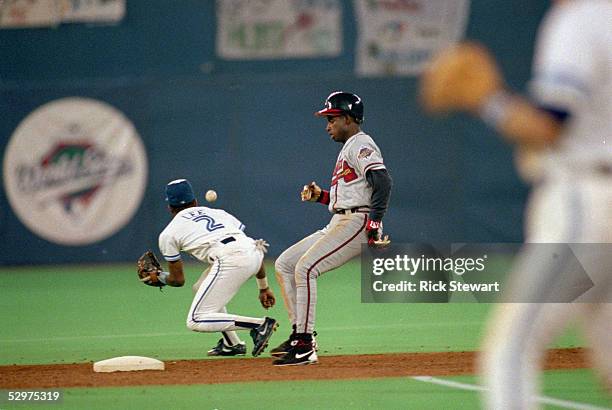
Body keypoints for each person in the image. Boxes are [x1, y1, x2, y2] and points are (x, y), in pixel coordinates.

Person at [420, 0, 612, 408]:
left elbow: (546, 127)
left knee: (512, 347)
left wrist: (488, 98)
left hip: (588, 200)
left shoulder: (581, 20)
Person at [271, 91, 393, 366]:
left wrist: (374, 222)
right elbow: (353, 195)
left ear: (348, 119)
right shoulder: (348, 147)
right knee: (285, 264)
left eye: (332, 119)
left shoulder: (362, 144)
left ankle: (304, 346)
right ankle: (298, 333)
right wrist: (322, 197)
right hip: (341, 219)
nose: (327, 125)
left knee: (306, 268)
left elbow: (383, 182)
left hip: (357, 221)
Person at [145, 178, 278, 357]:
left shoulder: (168, 234)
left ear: (169, 207)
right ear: (195, 201)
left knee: (195, 320)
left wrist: (159, 276)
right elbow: (249, 245)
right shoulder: (219, 212)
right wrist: (264, 287)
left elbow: (178, 280)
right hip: (254, 251)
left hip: (230, 259)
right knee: (200, 287)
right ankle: (232, 343)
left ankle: (259, 325)